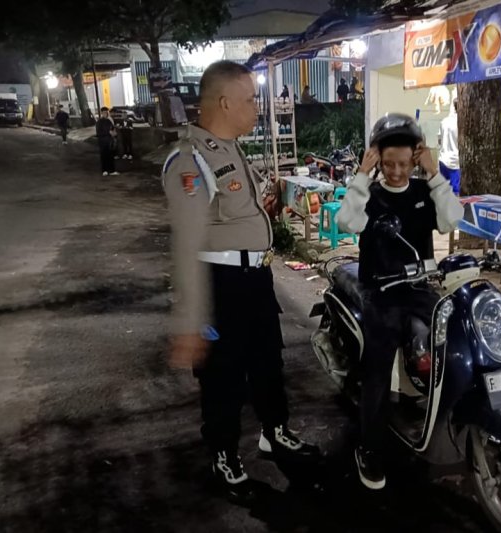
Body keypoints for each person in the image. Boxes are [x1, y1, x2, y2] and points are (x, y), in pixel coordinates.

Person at [162, 60, 318, 504]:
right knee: (224, 378)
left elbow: (233, 216)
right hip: (222, 287)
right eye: (250, 100)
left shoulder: (230, 150)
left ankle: (275, 434)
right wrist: (190, 323)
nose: (257, 108)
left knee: (269, 363)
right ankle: (224, 456)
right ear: (225, 102)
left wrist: (263, 214)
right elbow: (186, 246)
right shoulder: (189, 161)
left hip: (255, 281)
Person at [336, 113, 462, 490]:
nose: (394, 171)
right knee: (376, 371)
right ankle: (368, 447)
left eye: (403, 164)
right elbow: (346, 223)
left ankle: (454, 419)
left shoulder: (425, 193)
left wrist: (435, 174)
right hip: (381, 292)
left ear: (414, 159)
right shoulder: (369, 196)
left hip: (421, 288)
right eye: (387, 164)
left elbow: (453, 220)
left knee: (456, 341)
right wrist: (361, 175)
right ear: (377, 160)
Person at [438, 101, 460, 195]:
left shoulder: (444, 121)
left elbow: (439, 140)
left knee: (443, 191)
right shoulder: (461, 123)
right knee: (455, 192)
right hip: (456, 162)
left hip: (443, 159)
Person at [95, 107, 118, 176]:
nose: (106, 114)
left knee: (110, 156)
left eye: (106, 112)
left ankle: (112, 170)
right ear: (102, 113)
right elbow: (98, 133)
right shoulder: (99, 122)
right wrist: (108, 133)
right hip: (103, 141)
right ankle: (104, 170)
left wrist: (114, 132)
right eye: (104, 112)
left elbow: (112, 128)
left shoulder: (108, 121)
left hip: (109, 141)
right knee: (104, 156)